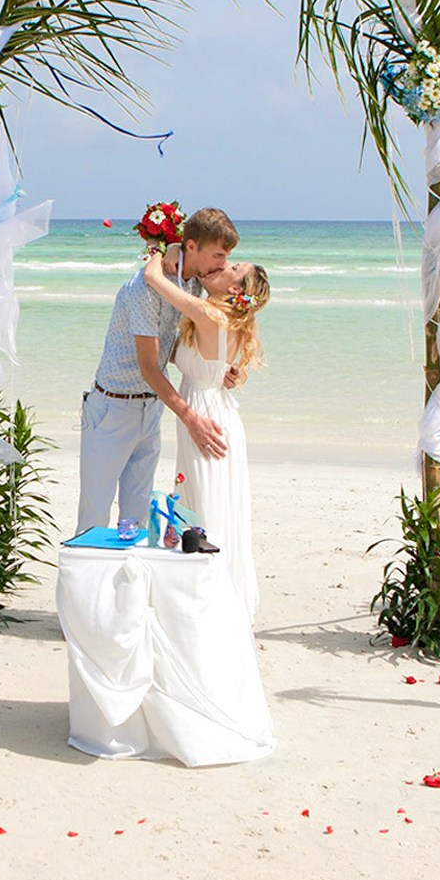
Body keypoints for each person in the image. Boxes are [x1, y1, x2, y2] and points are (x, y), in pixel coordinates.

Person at [76, 207, 237, 535]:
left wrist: (214, 370)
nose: (222, 264)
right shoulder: (147, 288)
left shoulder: (189, 286)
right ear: (191, 246)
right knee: (94, 515)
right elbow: (149, 366)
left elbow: (169, 346)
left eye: (227, 257)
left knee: (135, 519)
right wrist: (191, 419)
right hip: (112, 409)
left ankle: (126, 587)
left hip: (151, 409)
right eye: (218, 255)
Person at [142, 251, 271, 617]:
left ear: (236, 291)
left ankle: (208, 605)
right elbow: (192, 361)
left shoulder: (210, 313)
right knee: (201, 499)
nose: (223, 266)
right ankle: (204, 600)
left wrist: (158, 253)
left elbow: (155, 280)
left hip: (207, 418)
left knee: (204, 505)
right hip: (213, 407)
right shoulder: (216, 316)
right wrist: (227, 374)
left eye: (233, 268)